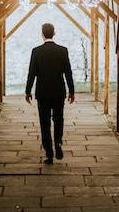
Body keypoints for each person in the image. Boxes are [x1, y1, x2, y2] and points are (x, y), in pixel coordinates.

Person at [25, 23, 75, 164]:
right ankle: (58, 143)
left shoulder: (36, 51)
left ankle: (49, 153)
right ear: (54, 33)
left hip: (42, 92)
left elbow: (32, 73)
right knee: (59, 119)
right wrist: (71, 91)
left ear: (42, 34)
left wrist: (28, 91)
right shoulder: (63, 50)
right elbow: (68, 73)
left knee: (44, 122)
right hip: (59, 91)